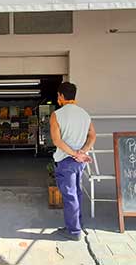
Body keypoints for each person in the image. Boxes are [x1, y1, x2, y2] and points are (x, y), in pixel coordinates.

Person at [50, 82, 96, 241]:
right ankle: (77, 223)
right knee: (76, 192)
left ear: (61, 96)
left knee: (70, 196)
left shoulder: (57, 115)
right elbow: (92, 136)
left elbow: (57, 141)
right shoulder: (84, 114)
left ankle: (74, 231)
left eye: (58, 95)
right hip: (79, 162)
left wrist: (75, 153)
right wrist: (82, 152)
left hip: (65, 161)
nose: (57, 98)